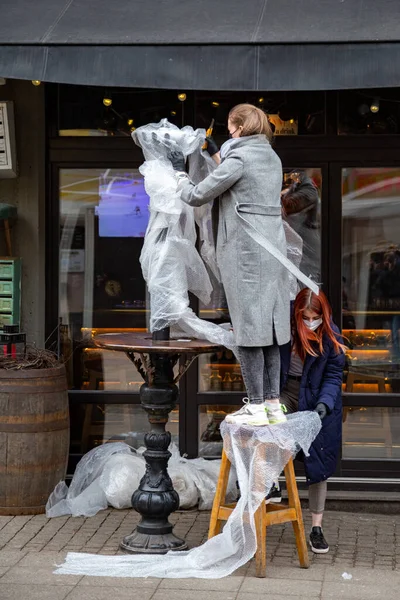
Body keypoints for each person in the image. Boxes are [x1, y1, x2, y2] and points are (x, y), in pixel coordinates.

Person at [166, 103, 290, 426]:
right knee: (273, 332)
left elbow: (196, 195)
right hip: (272, 255)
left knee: (248, 332)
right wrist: (218, 153)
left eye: (230, 127)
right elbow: (237, 180)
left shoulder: (240, 158)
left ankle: (256, 405)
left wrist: (180, 172)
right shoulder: (271, 159)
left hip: (246, 259)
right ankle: (273, 404)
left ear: (239, 128)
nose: (228, 131)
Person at [279, 288, 346, 553]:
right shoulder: (284, 330)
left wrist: (324, 406)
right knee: (270, 432)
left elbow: (333, 374)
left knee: (318, 459)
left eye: (314, 316)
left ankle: (316, 528)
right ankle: (270, 488)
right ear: (297, 314)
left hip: (319, 398)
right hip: (286, 392)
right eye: (305, 317)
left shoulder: (330, 335)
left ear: (323, 314)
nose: (310, 322)